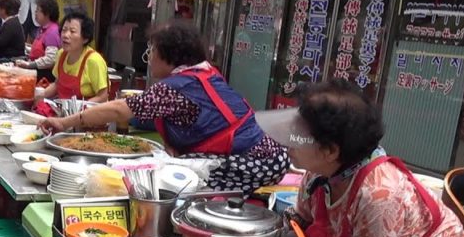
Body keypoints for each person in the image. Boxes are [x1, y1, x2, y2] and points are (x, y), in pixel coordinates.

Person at [256, 80, 464, 237]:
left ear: (330, 151)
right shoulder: (319, 170)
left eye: (298, 137)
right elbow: (300, 221)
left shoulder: (379, 193)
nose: (289, 143)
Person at [40, 22, 287, 192]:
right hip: (268, 156)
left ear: (169, 55)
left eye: (153, 50)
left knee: (167, 181)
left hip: (257, 162)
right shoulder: (203, 73)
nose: (150, 56)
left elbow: (118, 110)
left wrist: (63, 122)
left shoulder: (175, 88)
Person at [36, 12, 108, 102]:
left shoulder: (94, 61)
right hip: (63, 110)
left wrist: (80, 109)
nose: (65, 35)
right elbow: (57, 84)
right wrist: (38, 95)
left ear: (85, 38)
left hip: (87, 113)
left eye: (72, 31)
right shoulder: (61, 54)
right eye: (64, 30)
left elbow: (103, 96)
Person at [14, 0, 60, 82]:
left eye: (38, 11)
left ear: (47, 13)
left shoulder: (52, 32)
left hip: (44, 76)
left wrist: (30, 65)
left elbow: (50, 59)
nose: (35, 13)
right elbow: (40, 49)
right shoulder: (42, 29)